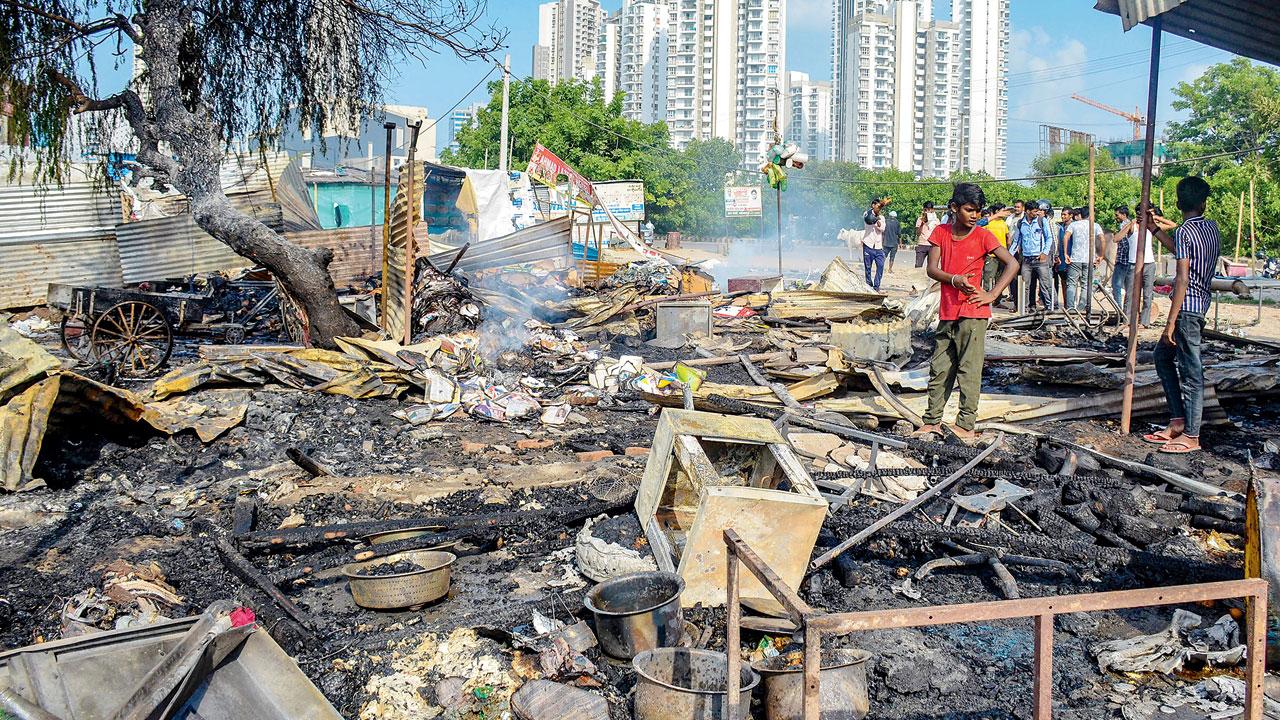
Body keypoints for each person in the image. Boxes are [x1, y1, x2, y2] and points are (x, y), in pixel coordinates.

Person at [915, 183, 1020, 440]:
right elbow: (932, 269)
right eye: (969, 210)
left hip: (974, 312)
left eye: (977, 211)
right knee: (940, 368)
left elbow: (1012, 264)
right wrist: (953, 280)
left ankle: (965, 424)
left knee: (969, 370)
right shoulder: (941, 232)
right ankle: (932, 420)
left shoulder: (983, 236)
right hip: (948, 310)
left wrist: (992, 295)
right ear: (954, 208)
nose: (974, 215)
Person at [1143, 177, 1220, 454]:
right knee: (1162, 357)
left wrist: (1170, 322)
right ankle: (1178, 422)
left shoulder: (1187, 231)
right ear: (1203, 202)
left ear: (1178, 203)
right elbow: (1184, 252)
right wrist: (1153, 230)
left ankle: (1191, 435)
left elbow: (1183, 276)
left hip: (1187, 309)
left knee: (1191, 371)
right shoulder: (1210, 228)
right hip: (1199, 305)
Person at [1114, 204, 1157, 326]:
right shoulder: (1132, 226)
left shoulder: (1151, 227)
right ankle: (1127, 320)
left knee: (1148, 294)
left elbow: (1172, 225)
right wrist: (1131, 223)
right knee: (1130, 294)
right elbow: (1116, 238)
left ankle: (1145, 322)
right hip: (1133, 263)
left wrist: (1155, 219)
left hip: (1149, 263)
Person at [1011, 200, 1055, 311]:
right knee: (1025, 286)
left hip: (1040, 259)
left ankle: (1050, 308)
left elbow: (1049, 238)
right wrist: (1010, 256)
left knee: (1045, 285)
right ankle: (1024, 309)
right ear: (1027, 211)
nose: (1036, 213)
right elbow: (1016, 241)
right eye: (1034, 211)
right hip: (1026, 260)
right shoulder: (1021, 223)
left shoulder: (1042, 221)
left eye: (1037, 211)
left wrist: (1045, 252)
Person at [1062, 206, 1104, 310]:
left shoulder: (1074, 225)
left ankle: (1070, 308)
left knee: (1071, 284)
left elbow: (1066, 237)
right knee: (1085, 285)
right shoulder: (1095, 225)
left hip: (1075, 258)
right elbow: (1102, 239)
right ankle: (1081, 308)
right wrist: (1101, 255)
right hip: (1089, 259)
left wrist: (1066, 253)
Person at [982, 204, 1012, 296]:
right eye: (1003, 210)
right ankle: (986, 299)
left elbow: (1008, 238)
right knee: (989, 278)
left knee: (1000, 279)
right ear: (996, 211)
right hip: (991, 257)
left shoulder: (1003, 223)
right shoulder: (988, 223)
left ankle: (997, 300)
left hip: (1002, 256)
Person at [861, 197, 889, 290]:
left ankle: (876, 286)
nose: (879, 209)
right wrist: (876, 220)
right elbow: (869, 220)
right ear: (873, 206)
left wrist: (877, 220)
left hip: (878, 246)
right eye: (878, 206)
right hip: (868, 244)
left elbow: (882, 228)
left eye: (880, 207)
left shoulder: (882, 217)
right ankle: (869, 285)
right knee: (868, 268)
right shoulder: (866, 214)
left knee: (880, 266)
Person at [1053, 207, 1075, 309]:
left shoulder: (1074, 227)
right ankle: (1065, 304)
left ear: (1071, 215)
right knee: (1063, 281)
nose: (1062, 216)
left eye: (1065, 215)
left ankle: (1070, 305)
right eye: (1062, 214)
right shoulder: (1060, 227)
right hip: (1061, 258)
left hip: (1071, 258)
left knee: (1071, 282)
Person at [915, 201, 940, 268]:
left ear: (932, 210)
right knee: (918, 265)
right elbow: (917, 233)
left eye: (929, 209)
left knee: (931, 266)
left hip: (932, 245)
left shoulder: (936, 221)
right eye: (925, 210)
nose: (927, 211)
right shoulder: (920, 219)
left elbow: (938, 234)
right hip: (922, 244)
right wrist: (922, 223)